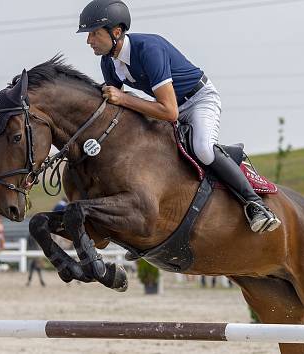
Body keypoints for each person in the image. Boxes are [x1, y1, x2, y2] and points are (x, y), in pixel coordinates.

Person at [77, 0, 281, 233]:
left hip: (199, 100)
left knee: (203, 148)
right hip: (166, 105)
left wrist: (123, 99)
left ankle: (254, 203)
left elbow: (169, 111)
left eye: (93, 33)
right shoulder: (108, 62)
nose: (88, 40)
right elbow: (117, 109)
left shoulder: (149, 49)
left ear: (116, 32)